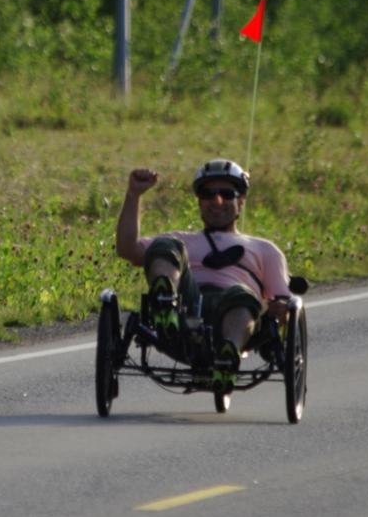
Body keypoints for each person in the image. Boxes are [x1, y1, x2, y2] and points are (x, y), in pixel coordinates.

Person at [115, 159, 293, 389]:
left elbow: (283, 306)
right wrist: (133, 194)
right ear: (199, 201)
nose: (217, 200)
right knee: (165, 245)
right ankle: (164, 301)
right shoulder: (182, 240)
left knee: (241, 296)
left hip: (235, 309)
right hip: (185, 308)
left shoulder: (264, 249)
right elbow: (127, 249)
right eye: (208, 194)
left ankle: (228, 356)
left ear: (241, 200)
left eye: (227, 194)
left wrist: (281, 308)